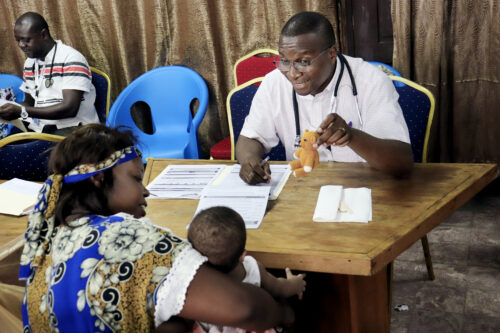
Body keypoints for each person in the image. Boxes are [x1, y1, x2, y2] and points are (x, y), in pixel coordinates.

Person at [19, 124, 293, 332]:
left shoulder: (47, 237)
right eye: (136, 178)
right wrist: (284, 315)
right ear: (99, 179)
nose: (145, 190)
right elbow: (243, 309)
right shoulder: (127, 239)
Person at [236, 11, 413, 184]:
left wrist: (352, 137)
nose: (292, 73)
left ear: (331, 54)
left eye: (303, 62)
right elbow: (250, 138)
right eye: (284, 61)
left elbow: (401, 163)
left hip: (364, 189)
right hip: (304, 189)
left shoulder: (371, 81)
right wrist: (250, 162)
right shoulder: (274, 83)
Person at [187, 206, 306, 333]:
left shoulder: (194, 278)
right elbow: (280, 288)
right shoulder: (251, 268)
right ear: (242, 255)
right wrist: (296, 284)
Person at [0, 12, 99, 135]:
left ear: (43, 34)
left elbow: (70, 109)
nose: (21, 45)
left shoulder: (71, 58)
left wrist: (22, 111)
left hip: (76, 129)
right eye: (18, 40)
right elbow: (30, 102)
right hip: (43, 128)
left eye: (26, 40)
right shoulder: (30, 63)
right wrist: (6, 109)